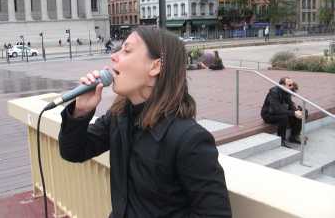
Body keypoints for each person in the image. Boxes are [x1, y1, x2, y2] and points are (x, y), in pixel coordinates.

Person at [58, 26, 232, 218]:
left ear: (155, 67)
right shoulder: (119, 117)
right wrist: (80, 112)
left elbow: (214, 214)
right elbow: (73, 151)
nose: (114, 56)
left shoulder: (189, 139)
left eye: (127, 50)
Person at [261, 77, 303, 146]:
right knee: (284, 117)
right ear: (282, 85)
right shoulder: (274, 92)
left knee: (299, 113)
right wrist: (293, 113)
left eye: (292, 84)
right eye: (289, 85)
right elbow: (276, 109)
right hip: (269, 114)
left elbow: (290, 104)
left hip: (279, 112)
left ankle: (294, 136)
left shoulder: (287, 91)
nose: (292, 87)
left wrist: (297, 111)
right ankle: (281, 140)